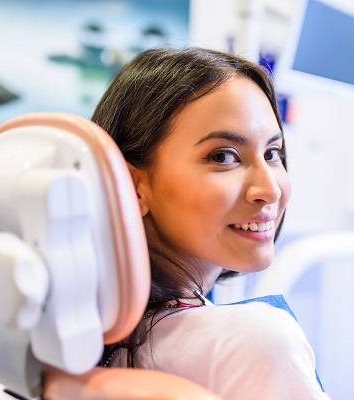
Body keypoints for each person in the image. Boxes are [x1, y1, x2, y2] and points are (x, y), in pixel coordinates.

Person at [91, 47, 329, 400]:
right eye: (223, 156)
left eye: (272, 154)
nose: (269, 189)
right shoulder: (254, 342)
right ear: (131, 184)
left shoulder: (86, 338)